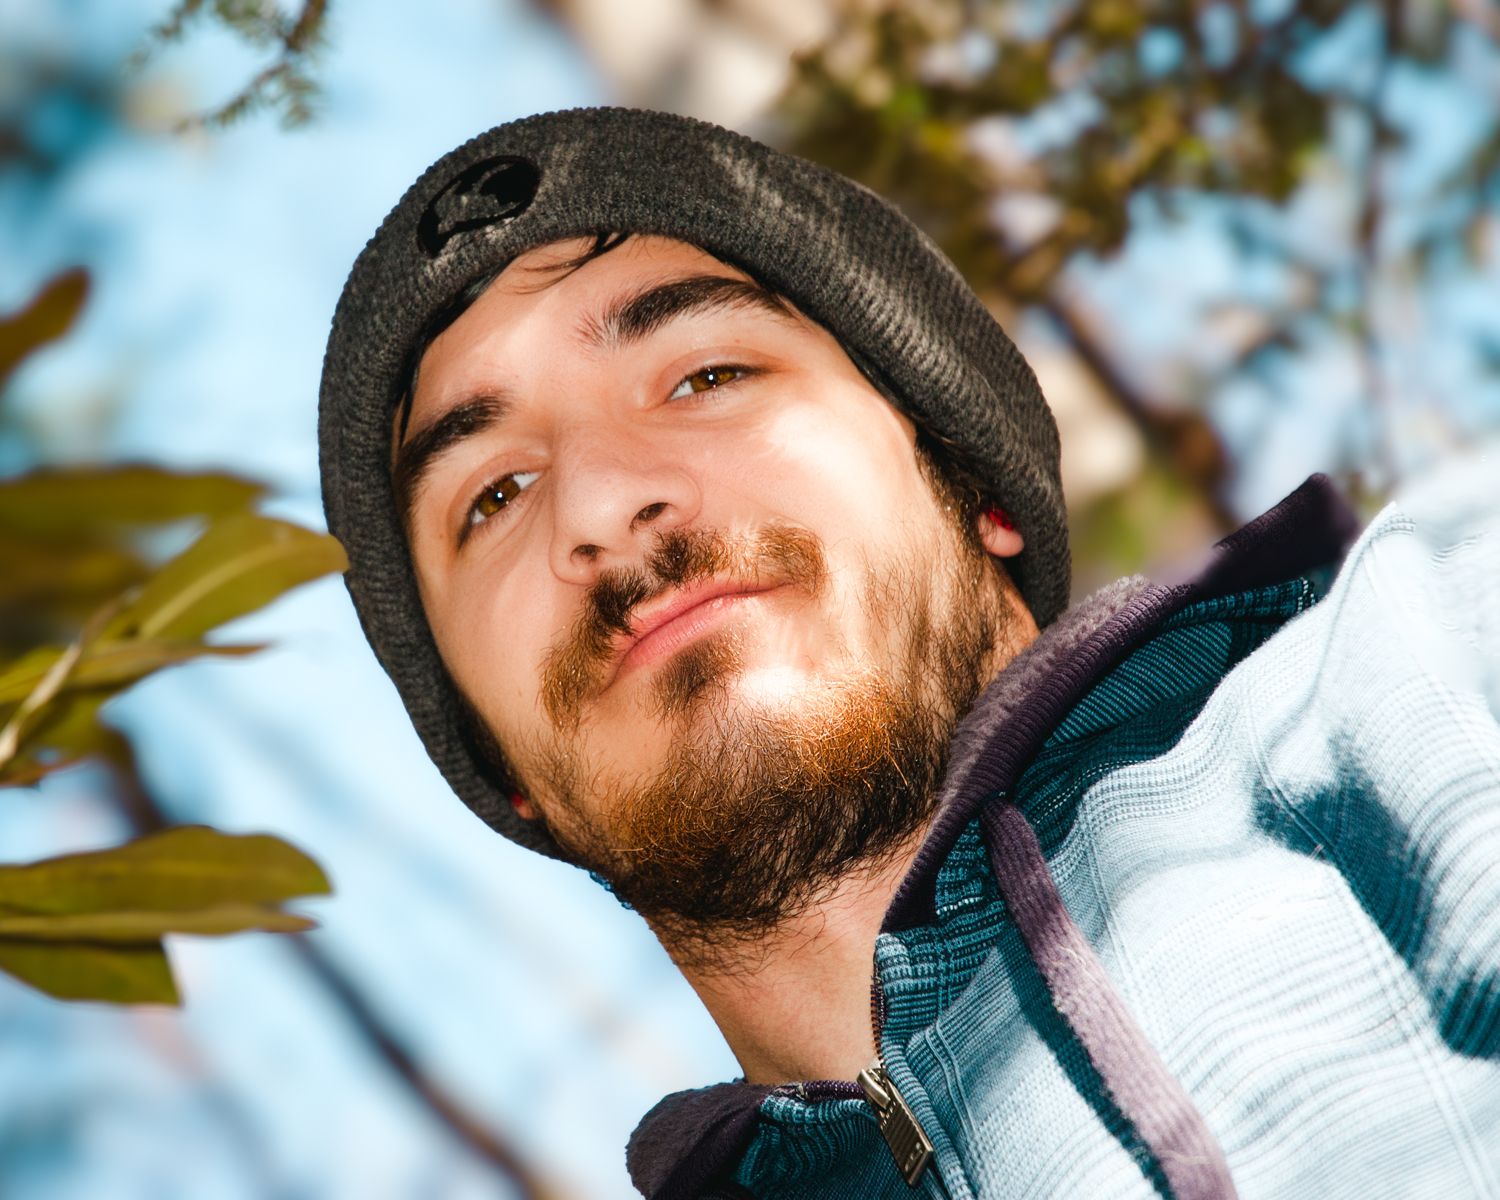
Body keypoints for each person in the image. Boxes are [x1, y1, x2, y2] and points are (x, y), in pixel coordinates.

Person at [319, 108, 1500, 1198]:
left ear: (972, 485)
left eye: (706, 375)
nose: (597, 501)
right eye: (494, 494)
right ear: (498, 757)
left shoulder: (1435, 658)